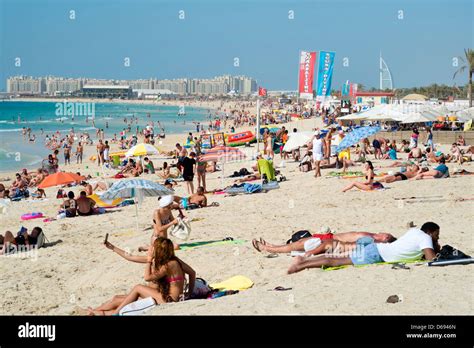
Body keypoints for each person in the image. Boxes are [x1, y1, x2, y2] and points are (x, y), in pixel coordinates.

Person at [87, 237, 196, 315]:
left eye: (153, 247)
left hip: (169, 300)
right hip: (163, 296)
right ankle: (93, 311)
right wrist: (113, 248)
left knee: (138, 287)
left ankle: (115, 313)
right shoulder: (166, 260)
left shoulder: (170, 264)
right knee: (117, 298)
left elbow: (147, 278)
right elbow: (131, 257)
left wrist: (149, 261)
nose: (150, 248)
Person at [287, 222, 441, 274]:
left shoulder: (414, 232)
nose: (437, 238)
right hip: (376, 254)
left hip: (377, 248)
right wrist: (436, 247)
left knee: (337, 257)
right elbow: (431, 259)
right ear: (430, 232)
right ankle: (301, 264)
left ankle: (303, 260)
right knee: (336, 261)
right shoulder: (426, 238)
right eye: (437, 235)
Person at [252, 231, 396, 256]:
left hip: (329, 243)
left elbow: (343, 245)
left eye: (386, 236)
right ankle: (271, 246)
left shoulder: (372, 240)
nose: (384, 234)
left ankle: (268, 248)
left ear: (385, 241)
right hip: (329, 239)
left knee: (299, 244)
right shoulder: (371, 237)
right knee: (299, 243)